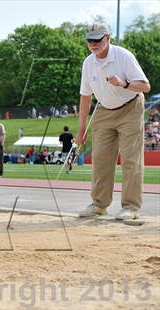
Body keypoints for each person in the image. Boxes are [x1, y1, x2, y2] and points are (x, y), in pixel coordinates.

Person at [76, 22, 151, 220]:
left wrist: (124, 83)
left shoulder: (123, 56)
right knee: (100, 160)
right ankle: (99, 205)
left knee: (130, 160)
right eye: (90, 40)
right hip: (103, 110)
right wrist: (81, 128)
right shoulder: (88, 63)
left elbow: (145, 86)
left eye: (98, 39)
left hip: (131, 108)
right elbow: (85, 96)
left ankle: (130, 207)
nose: (93, 44)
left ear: (108, 38)